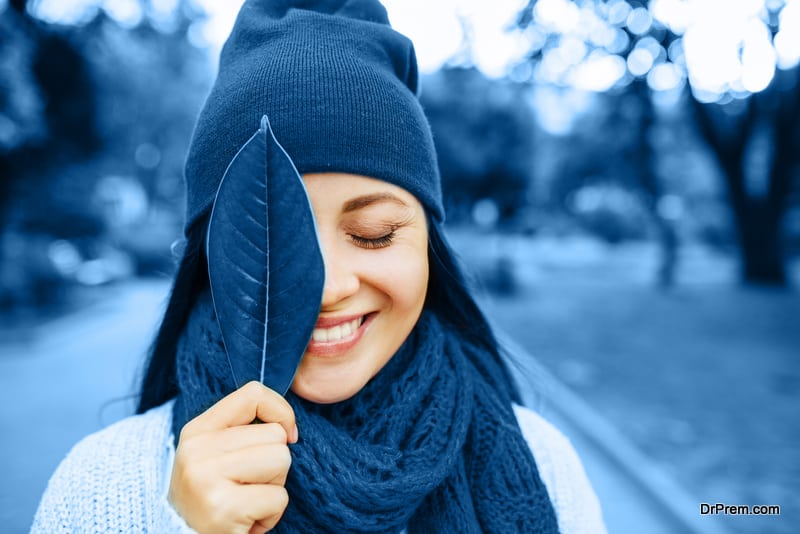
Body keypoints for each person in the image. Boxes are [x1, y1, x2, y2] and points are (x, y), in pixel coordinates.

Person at [32, 1, 606, 532]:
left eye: (372, 235)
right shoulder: (102, 488)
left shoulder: (544, 463)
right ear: (212, 261)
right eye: (277, 242)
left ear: (429, 250)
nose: (327, 287)